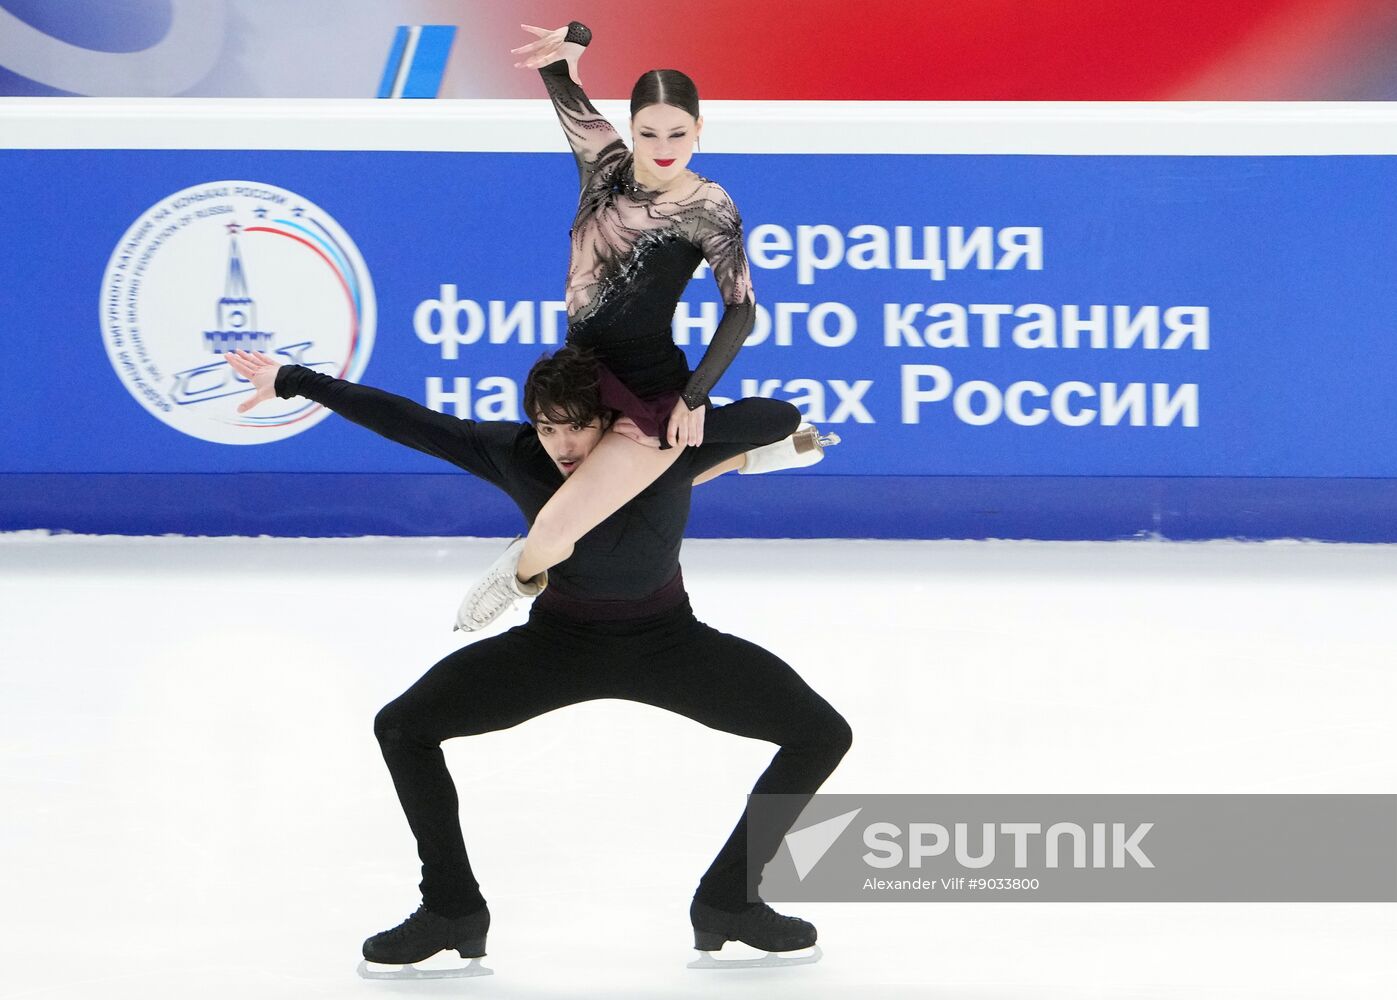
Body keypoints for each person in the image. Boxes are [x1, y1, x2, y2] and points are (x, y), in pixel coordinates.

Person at [222, 347, 850, 974]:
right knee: (403, 725)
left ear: (610, 420)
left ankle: (728, 901)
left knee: (821, 734)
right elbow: (409, 421)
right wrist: (293, 381)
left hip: (668, 642)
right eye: (548, 427)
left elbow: (777, 415)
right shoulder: (517, 454)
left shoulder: (664, 446)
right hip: (559, 645)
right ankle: (451, 908)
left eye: (578, 424)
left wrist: (689, 411)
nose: (562, 444)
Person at [456, 20, 761, 630]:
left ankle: (516, 577)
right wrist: (576, 37)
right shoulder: (603, 163)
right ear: (630, 129)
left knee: (565, 521)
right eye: (649, 132)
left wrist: (694, 396)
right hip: (580, 378)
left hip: (648, 386)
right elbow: (561, 86)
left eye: (678, 132)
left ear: (700, 129)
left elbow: (742, 309)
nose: (664, 144)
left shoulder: (709, 204)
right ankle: (754, 455)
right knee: (602, 501)